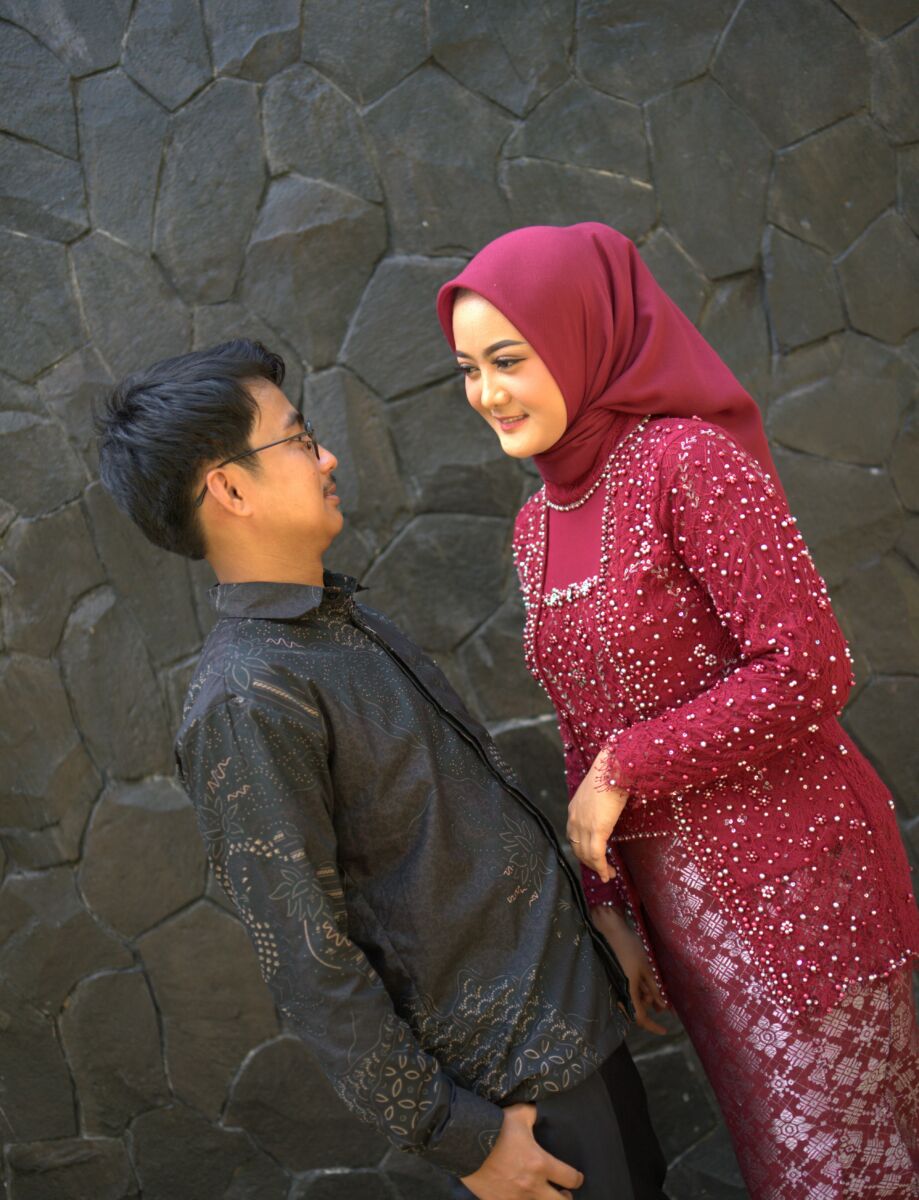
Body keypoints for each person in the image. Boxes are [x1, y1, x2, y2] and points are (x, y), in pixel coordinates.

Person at [95, 338, 667, 1200]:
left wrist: (591, 931)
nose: (326, 457)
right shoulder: (245, 698)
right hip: (519, 1101)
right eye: (298, 439)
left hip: (578, 1028)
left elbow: (460, 840)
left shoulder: (335, 622)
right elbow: (309, 966)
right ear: (230, 489)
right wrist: (463, 1140)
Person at [436, 223, 919, 1199]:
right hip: (688, 927)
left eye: (507, 360)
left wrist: (631, 766)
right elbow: (580, 728)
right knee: (780, 1170)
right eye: (467, 370)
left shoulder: (686, 461)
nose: (486, 392)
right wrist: (614, 910)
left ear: (579, 336)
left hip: (803, 892)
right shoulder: (533, 528)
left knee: (847, 1176)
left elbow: (808, 668)